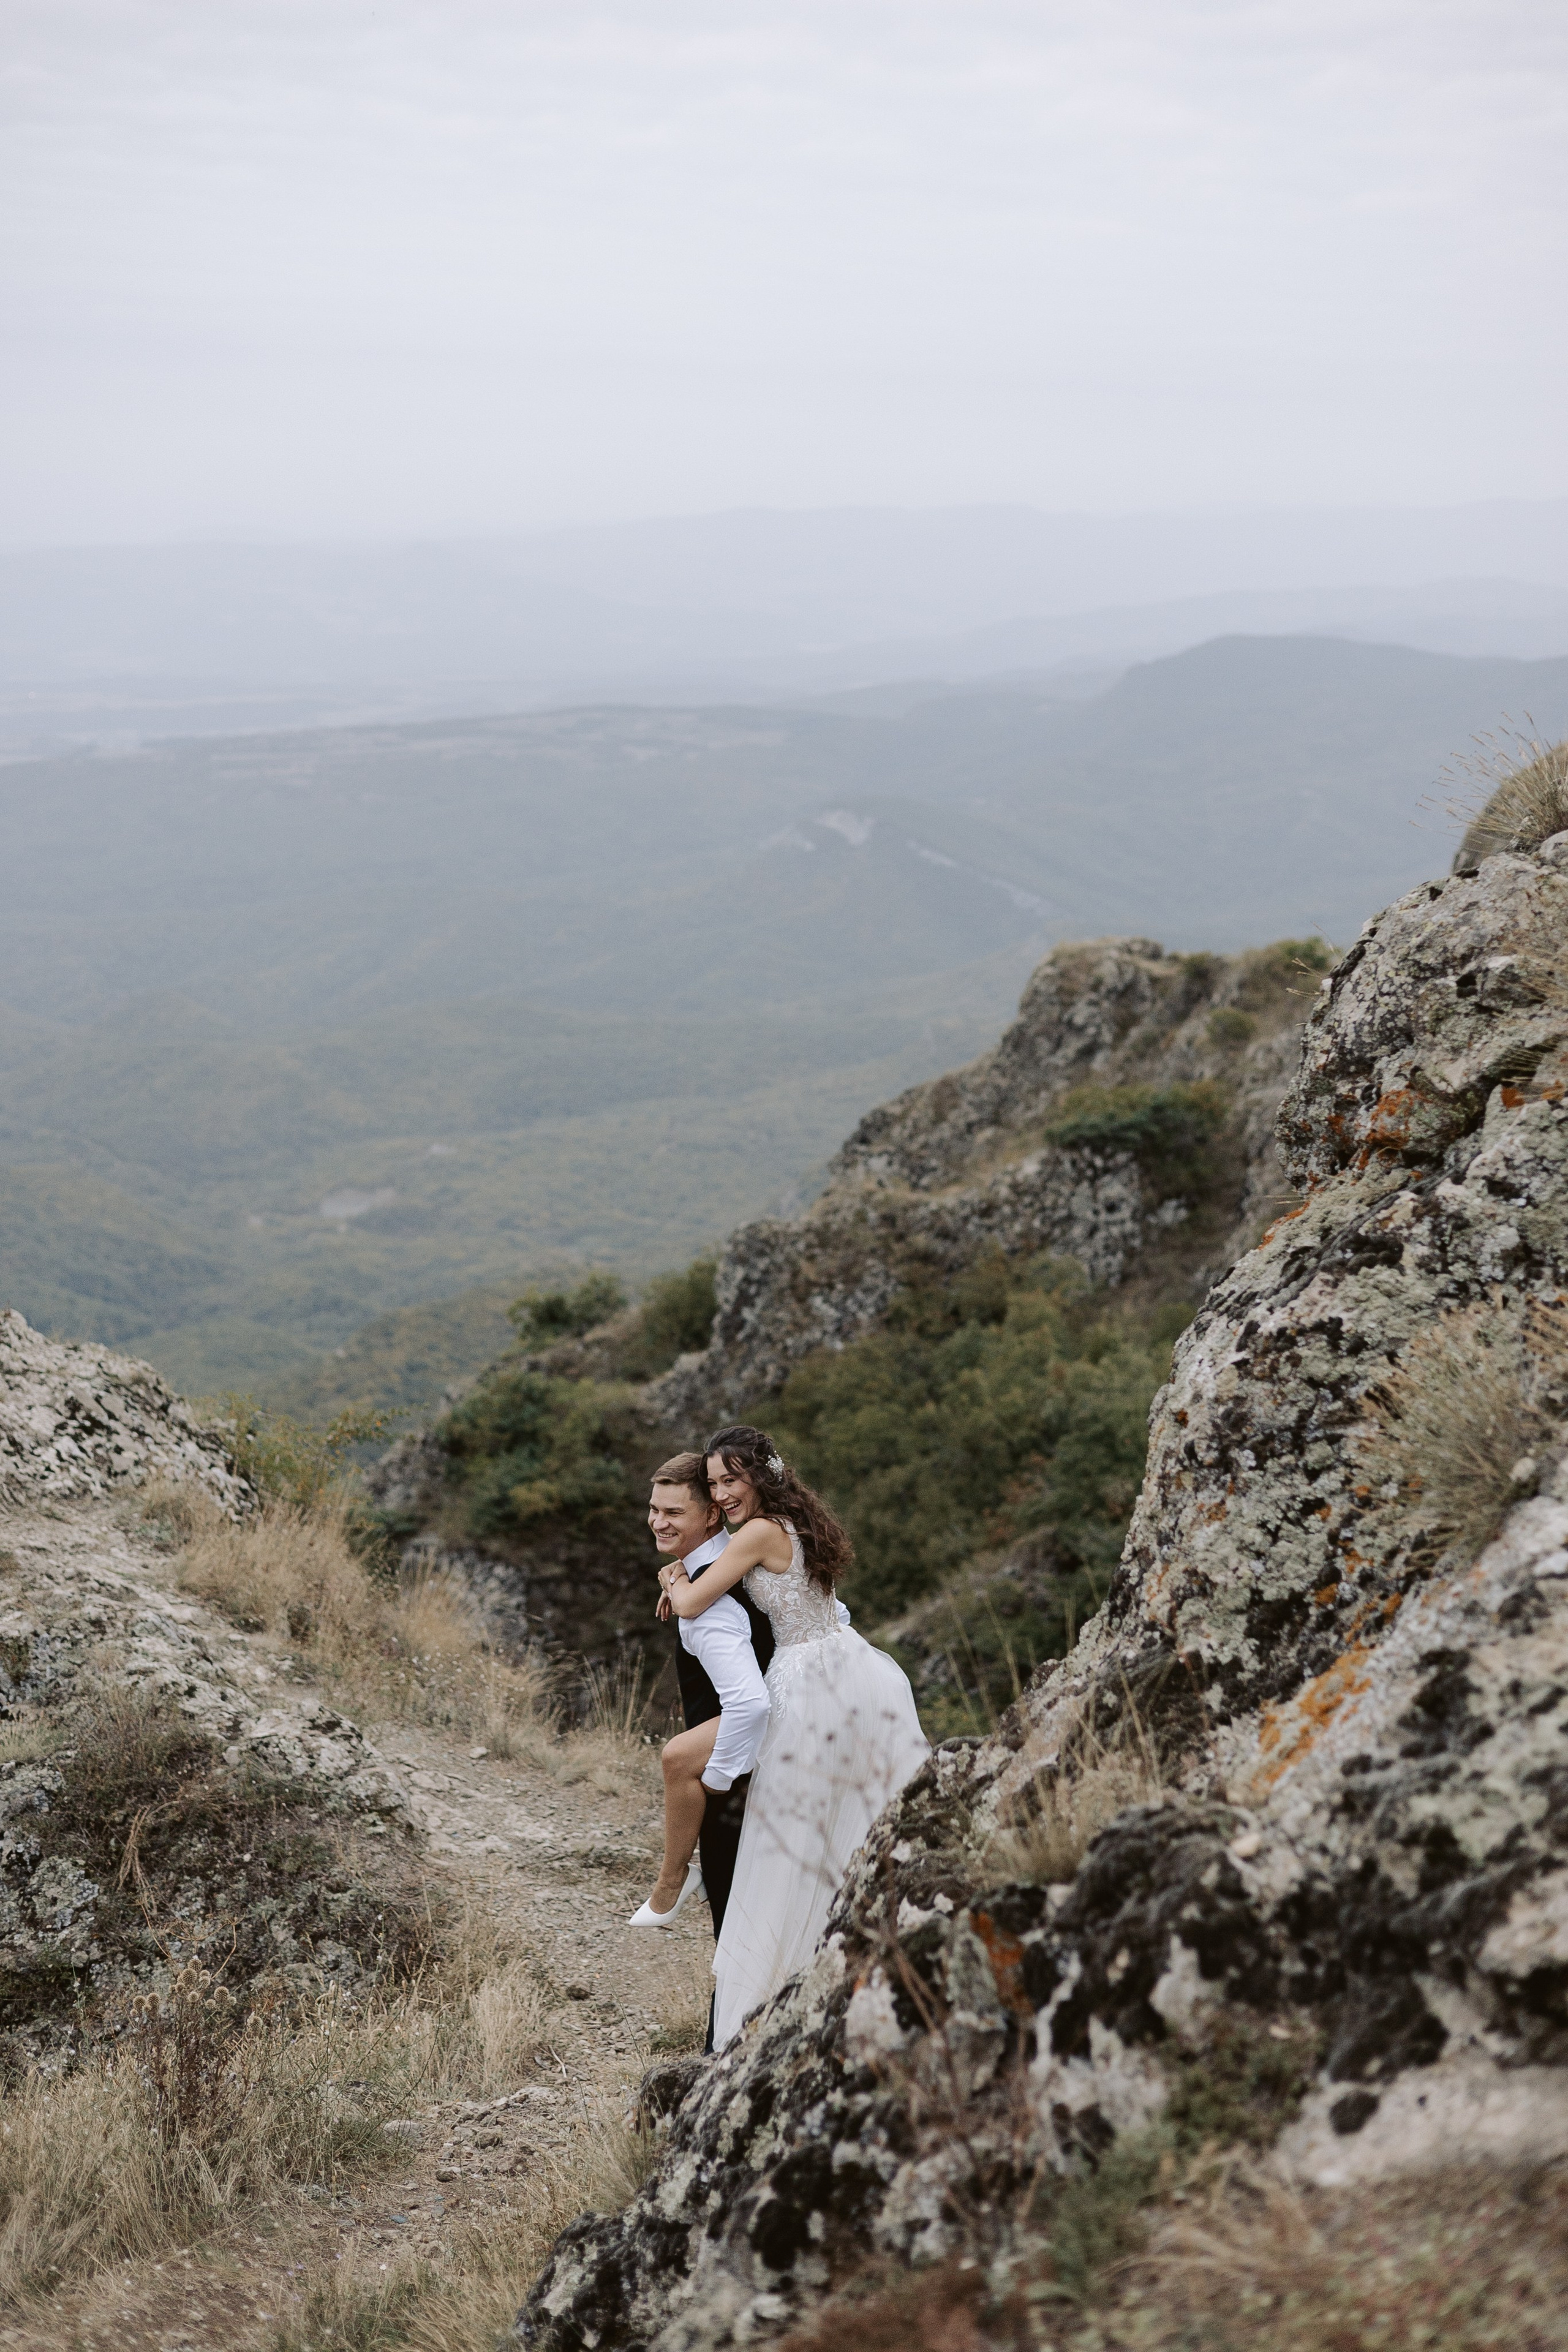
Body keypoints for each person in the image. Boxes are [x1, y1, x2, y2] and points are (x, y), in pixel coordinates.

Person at [659, 1423, 930, 2052]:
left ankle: (776, 1981)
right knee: (852, 1818)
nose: (722, 1493)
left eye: (731, 1480)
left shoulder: (756, 1532)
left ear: (758, 1475)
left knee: (785, 1835)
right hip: (854, 1665)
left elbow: (698, 1601)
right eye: (715, 1484)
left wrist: (673, 1579)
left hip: (805, 1679)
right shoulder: (796, 1522)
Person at [628, 1453, 773, 1934]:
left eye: (673, 1513)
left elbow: (750, 1704)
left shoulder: (707, 1607)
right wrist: (675, 1575)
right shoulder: (746, 1563)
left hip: (737, 1788)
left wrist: (714, 1782)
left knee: (736, 1932)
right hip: (781, 1767)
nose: (658, 1522)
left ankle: (673, 1881)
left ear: (712, 1514)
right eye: (655, 1509)